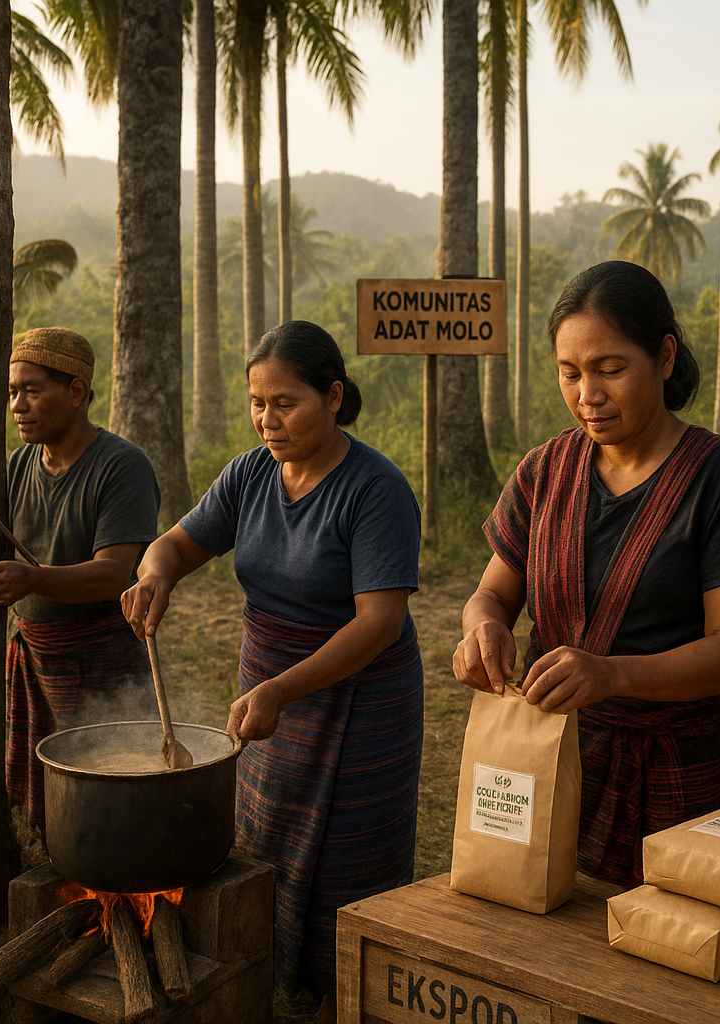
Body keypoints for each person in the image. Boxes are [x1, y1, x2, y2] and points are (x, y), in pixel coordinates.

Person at [121, 321, 423, 1018]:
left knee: (352, 858)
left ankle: (348, 990)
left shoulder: (375, 489)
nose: (267, 419)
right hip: (268, 688)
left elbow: (378, 623)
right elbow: (173, 543)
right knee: (267, 838)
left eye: (285, 402)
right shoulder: (250, 474)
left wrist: (284, 689)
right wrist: (156, 576)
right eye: (257, 403)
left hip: (359, 698)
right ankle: (275, 975)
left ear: (333, 396)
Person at [453, 261, 720, 887]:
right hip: (542, 756)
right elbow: (493, 591)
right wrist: (482, 627)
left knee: (658, 954)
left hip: (667, 772)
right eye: (570, 374)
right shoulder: (545, 470)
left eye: (610, 369)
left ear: (665, 356)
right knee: (534, 932)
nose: (587, 396)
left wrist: (612, 674)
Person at [0, 327, 160, 829]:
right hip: (34, 653)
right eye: (12, 392)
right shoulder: (17, 466)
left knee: (108, 793)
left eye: (32, 390)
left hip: (100, 659)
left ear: (76, 392)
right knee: (48, 802)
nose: (17, 405)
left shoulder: (121, 466)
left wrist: (30, 580)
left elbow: (112, 575)